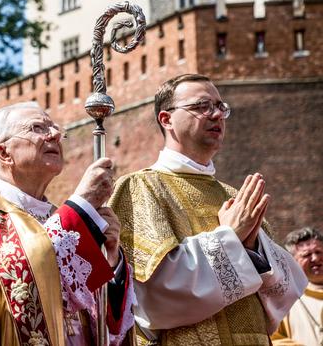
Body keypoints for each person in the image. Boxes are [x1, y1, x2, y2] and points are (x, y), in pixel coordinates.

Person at [109, 73, 307, 345]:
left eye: (220, 107)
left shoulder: (234, 196)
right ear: (166, 119)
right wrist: (230, 237)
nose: (216, 115)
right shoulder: (140, 188)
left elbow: (284, 297)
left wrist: (253, 249)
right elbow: (156, 299)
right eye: (202, 106)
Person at [0, 101, 134, 346]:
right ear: (3, 153)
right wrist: (81, 208)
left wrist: (111, 259)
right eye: (37, 128)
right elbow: (15, 284)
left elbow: (94, 309)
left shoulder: (60, 218)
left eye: (54, 128)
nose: (54, 134)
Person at [272, 227, 323, 345]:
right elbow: (273, 339)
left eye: (319, 252)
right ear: (293, 262)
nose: (315, 258)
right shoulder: (285, 299)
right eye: (307, 255)